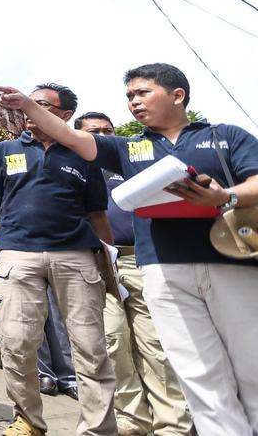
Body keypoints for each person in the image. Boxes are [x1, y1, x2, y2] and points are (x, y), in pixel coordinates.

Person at [0, 64, 257, 435]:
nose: (134, 102)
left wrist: (222, 195)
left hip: (230, 262)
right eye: (129, 96)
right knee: (198, 373)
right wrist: (26, 105)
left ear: (177, 94)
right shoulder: (128, 147)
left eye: (142, 93)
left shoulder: (223, 136)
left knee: (251, 366)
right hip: (163, 271)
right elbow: (69, 136)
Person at [0, 83, 116, 436]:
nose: (29, 109)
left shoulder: (83, 155)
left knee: (90, 348)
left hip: (76, 258)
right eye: (30, 102)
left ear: (64, 115)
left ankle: (98, 429)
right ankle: (28, 420)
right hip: (17, 254)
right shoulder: (3, 151)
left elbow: (97, 213)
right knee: (15, 342)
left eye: (40, 104)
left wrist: (111, 261)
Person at [76, 111, 193, 436]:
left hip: (143, 261)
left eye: (108, 130)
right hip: (97, 263)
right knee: (112, 343)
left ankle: (172, 423)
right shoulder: (76, 170)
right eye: (94, 132)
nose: (103, 135)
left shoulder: (136, 163)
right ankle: (131, 421)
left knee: (156, 344)